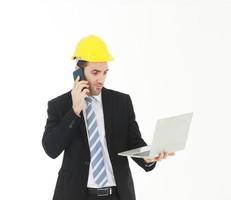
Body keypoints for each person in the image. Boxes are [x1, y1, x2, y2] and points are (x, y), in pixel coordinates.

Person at [42, 35, 174, 200]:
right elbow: (51, 149)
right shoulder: (59, 106)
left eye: (105, 73)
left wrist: (148, 158)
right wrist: (74, 111)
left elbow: (134, 143)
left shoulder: (121, 102)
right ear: (78, 71)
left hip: (117, 195)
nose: (101, 79)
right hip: (75, 194)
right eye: (95, 72)